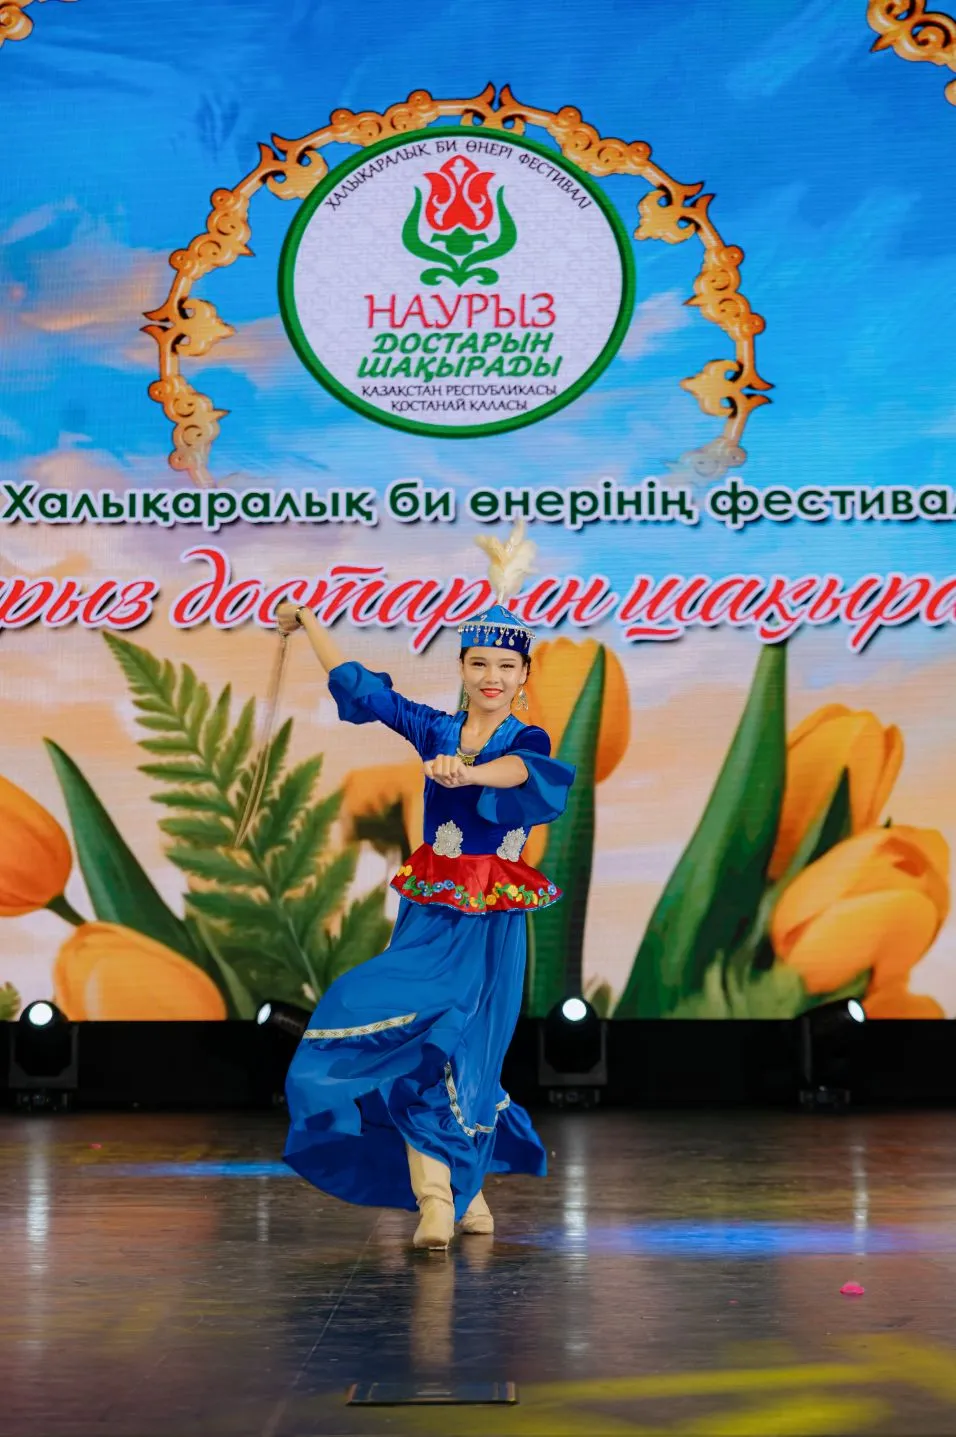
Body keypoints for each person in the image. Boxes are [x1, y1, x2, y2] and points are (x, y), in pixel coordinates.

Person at [275, 530, 574, 1251]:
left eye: (506, 666)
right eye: (480, 663)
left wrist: (467, 773)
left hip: (490, 922)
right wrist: (309, 622)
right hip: (429, 914)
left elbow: (523, 776)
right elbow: (367, 691)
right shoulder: (435, 728)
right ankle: (440, 1196)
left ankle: (454, 1193)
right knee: (405, 1031)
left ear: (524, 675)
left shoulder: (525, 740)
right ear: (463, 669)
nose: (492, 676)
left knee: (468, 1054)